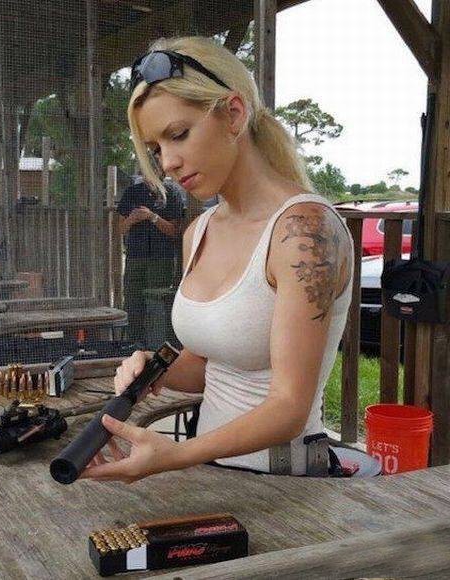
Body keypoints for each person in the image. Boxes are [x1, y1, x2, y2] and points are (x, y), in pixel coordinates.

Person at [81, 36, 353, 482]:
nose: (168, 163)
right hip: (210, 475)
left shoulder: (305, 232)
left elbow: (289, 407)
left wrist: (175, 454)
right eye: (156, 149)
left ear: (234, 113)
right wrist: (153, 369)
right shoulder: (199, 231)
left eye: (178, 134)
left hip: (286, 486)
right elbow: (211, 368)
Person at [116, 174, 184, 343]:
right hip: (135, 257)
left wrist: (152, 217)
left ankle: (157, 345)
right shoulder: (132, 192)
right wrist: (132, 219)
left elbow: (174, 231)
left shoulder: (171, 193)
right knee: (132, 302)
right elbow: (121, 228)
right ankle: (134, 344)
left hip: (161, 258)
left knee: (157, 304)